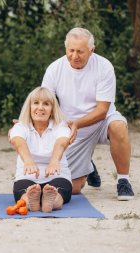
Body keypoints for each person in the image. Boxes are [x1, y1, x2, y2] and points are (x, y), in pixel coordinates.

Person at [41, 27, 134, 200]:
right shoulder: (54, 69)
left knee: (118, 126)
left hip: (101, 122)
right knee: (73, 189)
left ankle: (123, 181)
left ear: (92, 50)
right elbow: (44, 102)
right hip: (71, 130)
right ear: (65, 48)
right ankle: (88, 166)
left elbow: (102, 110)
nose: (75, 56)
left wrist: (76, 123)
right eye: (71, 50)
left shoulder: (104, 66)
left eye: (80, 52)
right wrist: (28, 121)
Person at [9, 87, 72, 213]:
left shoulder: (61, 126)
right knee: (24, 192)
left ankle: (51, 202)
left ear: (52, 110)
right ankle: (32, 201)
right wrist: (28, 161)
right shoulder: (21, 126)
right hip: (28, 176)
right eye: (36, 103)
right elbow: (19, 142)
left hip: (56, 176)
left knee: (58, 192)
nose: (40, 108)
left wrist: (54, 161)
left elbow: (61, 143)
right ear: (29, 107)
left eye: (46, 104)